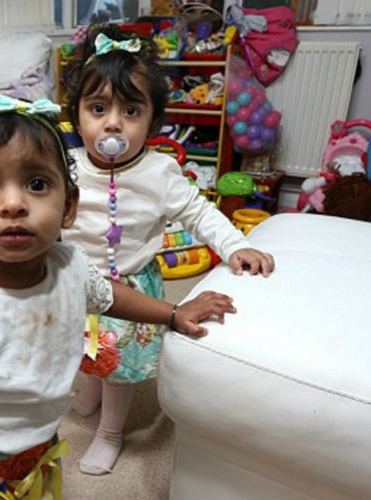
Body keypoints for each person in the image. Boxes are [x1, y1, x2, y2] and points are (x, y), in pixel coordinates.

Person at [0, 91, 237, 500]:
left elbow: (108, 296)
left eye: (37, 184)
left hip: (31, 445)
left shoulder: (70, 265)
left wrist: (173, 313)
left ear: (68, 207)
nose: (13, 204)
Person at [61, 26, 276, 476]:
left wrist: (235, 245)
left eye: (131, 110)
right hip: (78, 284)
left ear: (153, 120)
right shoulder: (67, 166)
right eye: (98, 108)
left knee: (119, 365)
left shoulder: (160, 172)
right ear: (77, 116)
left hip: (129, 290)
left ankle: (110, 433)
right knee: (85, 347)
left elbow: (200, 212)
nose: (113, 123)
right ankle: (92, 389)